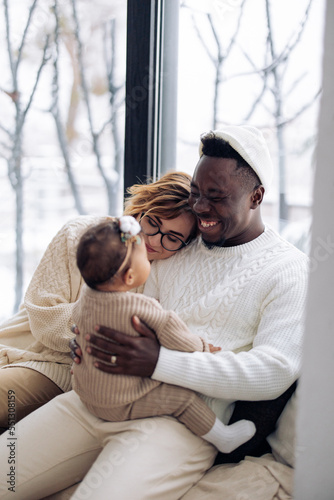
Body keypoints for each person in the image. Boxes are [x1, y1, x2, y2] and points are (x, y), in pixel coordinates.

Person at [0, 126, 308, 500]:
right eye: (196, 193)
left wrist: (158, 363)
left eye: (216, 196)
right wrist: (86, 340)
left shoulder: (289, 269)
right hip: (100, 397)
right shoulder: (177, 248)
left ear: (256, 196)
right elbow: (129, 309)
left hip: (181, 422)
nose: (201, 208)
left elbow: (274, 371)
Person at [0, 171, 197, 432]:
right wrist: (93, 330)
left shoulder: (162, 275)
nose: (154, 240)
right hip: (16, 343)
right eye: (154, 223)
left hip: (61, 371)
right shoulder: (81, 234)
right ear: (141, 209)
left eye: (172, 238)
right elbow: (44, 315)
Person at [71, 215, 255, 454]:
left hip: (85, 393)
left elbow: (77, 324)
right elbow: (177, 339)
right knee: (183, 400)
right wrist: (202, 347)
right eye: (144, 259)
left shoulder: (85, 298)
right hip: (120, 403)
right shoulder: (143, 307)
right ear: (129, 277)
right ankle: (224, 438)